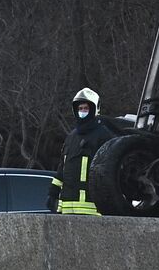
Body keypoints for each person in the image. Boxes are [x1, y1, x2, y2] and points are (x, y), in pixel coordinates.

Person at [47, 86, 118, 215]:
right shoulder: (71, 137)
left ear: (94, 110)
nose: (82, 111)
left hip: (92, 208)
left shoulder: (104, 135)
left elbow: (109, 171)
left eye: (86, 108)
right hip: (67, 207)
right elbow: (62, 167)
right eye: (80, 109)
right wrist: (53, 192)